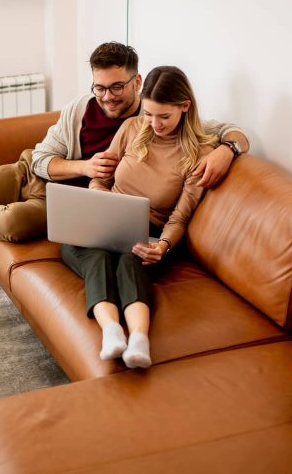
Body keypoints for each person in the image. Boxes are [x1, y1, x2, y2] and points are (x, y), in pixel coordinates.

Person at [0, 42, 249, 289]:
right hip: (31, 170)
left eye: (116, 87)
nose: (107, 96)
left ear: (136, 82)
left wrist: (229, 149)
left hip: (65, 200)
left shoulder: (153, 115)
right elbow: (42, 158)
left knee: (9, 224)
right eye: (99, 87)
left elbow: (221, 130)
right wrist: (85, 168)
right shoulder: (81, 108)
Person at [61, 65, 220, 369]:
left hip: (149, 231)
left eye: (164, 116)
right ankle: (111, 331)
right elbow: (101, 179)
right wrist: (98, 196)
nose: (154, 124)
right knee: (92, 255)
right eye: (148, 114)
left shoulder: (199, 153)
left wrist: (163, 247)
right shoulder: (132, 129)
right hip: (104, 216)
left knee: (128, 262)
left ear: (184, 107)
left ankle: (138, 340)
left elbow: (179, 218)